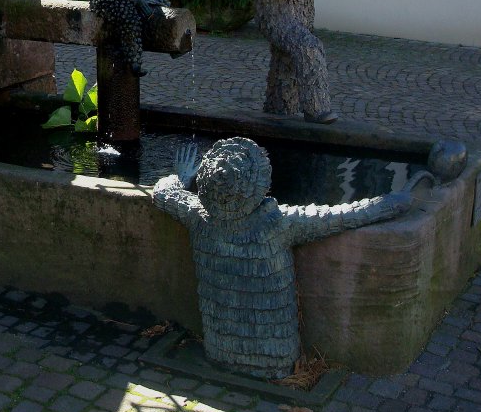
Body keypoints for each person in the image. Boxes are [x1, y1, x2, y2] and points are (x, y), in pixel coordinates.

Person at [153, 138, 413, 379]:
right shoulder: (278, 223)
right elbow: (345, 215)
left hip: (218, 350)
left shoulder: (196, 215)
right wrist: (394, 201)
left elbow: (163, 192)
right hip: (274, 363)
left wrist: (183, 176)